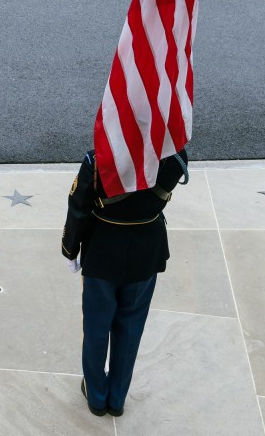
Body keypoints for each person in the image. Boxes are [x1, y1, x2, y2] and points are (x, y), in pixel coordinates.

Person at [61, 146, 189, 418]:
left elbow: (79, 207)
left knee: (96, 327)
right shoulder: (175, 157)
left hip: (103, 252)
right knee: (130, 328)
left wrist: (70, 248)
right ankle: (117, 398)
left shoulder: (98, 160)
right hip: (145, 252)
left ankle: (97, 396)